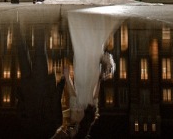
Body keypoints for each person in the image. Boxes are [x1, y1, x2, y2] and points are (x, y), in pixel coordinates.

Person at [52, 10, 125, 138]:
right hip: (81, 77)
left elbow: (96, 95)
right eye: (71, 135)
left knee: (94, 48)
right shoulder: (76, 117)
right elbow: (73, 96)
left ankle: (95, 19)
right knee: (82, 49)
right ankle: (83, 18)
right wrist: (68, 77)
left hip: (92, 76)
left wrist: (99, 78)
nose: (68, 133)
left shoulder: (91, 116)